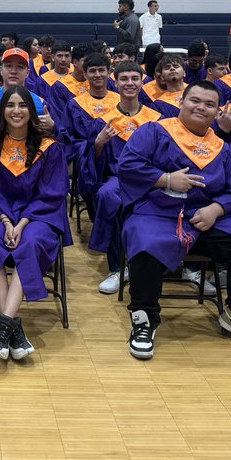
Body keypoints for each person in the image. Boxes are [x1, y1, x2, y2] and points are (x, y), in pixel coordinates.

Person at [118, 81, 231, 359]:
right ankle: (145, 319)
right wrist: (165, 179)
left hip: (207, 217)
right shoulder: (155, 131)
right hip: (159, 212)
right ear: (181, 101)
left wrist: (216, 208)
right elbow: (128, 166)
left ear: (218, 111)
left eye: (209, 104)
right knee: (145, 242)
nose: (201, 108)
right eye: (195, 101)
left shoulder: (222, 147)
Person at [0, 86, 69, 361]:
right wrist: (4, 219)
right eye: (10, 105)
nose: (16, 111)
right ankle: (11, 324)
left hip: (37, 215)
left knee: (32, 242)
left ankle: (2, 323)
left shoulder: (49, 148)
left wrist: (21, 224)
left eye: (22, 106)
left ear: (32, 112)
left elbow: (52, 192)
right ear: (2, 111)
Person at [76, 61, 160, 295]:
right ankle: (116, 268)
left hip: (151, 180)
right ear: (116, 82)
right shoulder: (105, 120)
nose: (130, 83)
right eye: (124, 79)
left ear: (143, 81)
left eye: (135, 78)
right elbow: (92, 162)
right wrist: (99, 144)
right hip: (118, 179)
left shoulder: (155, 118)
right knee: (106, 195)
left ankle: (149, 264)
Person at [62, 52, 120, 160]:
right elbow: (69, 139)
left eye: (101, 70)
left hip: (117, 159)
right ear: (85, 75)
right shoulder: (75, 105)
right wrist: (94, 147)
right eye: (92, 71)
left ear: (109, 73)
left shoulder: (119, 101)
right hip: (86, 162)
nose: (97, 75)